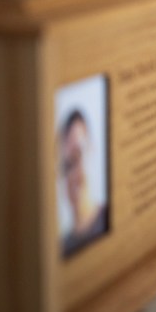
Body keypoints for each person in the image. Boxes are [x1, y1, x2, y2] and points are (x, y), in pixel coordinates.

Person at [59, 109, 107, 257]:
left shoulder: (110, 217)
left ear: (91, 151)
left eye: (78, 155)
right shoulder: (62, 249)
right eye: (66, 165)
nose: (73, 174)